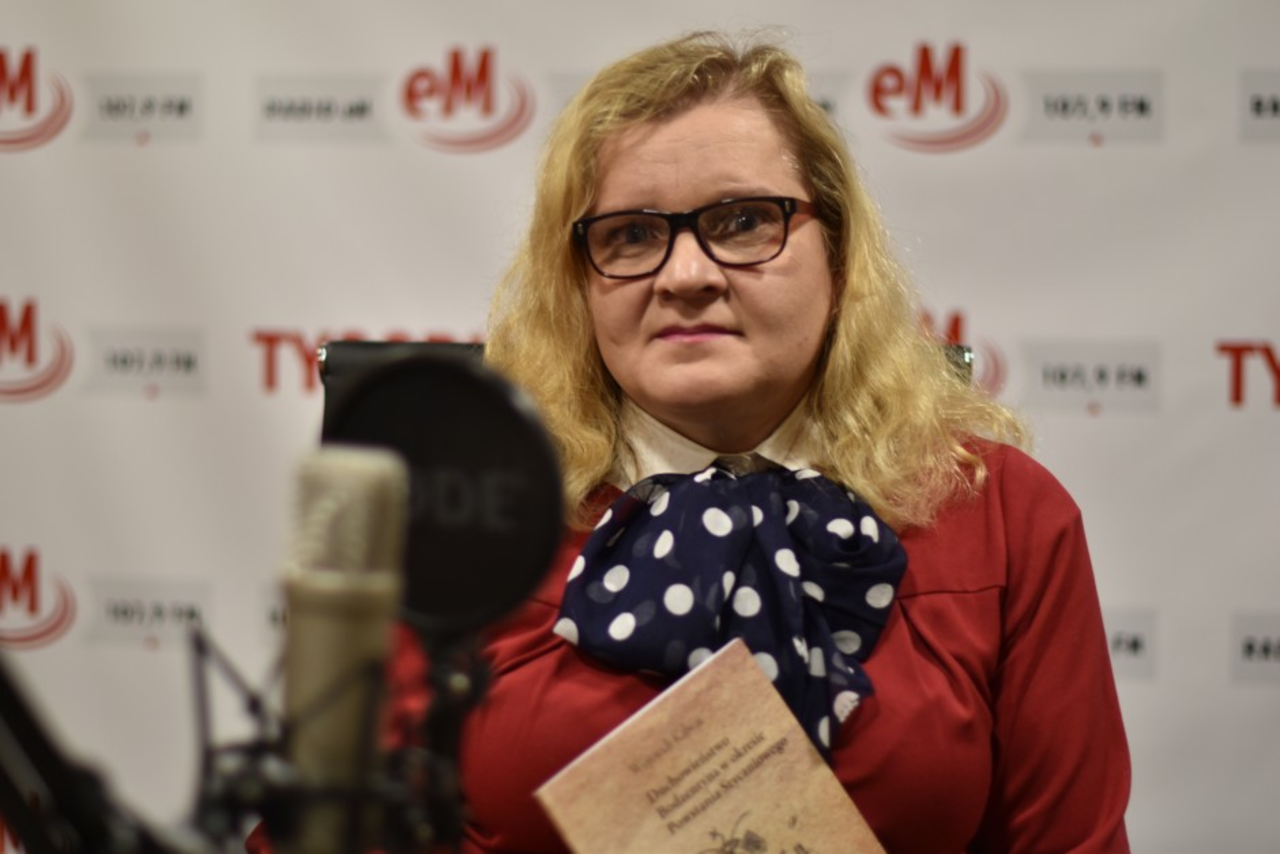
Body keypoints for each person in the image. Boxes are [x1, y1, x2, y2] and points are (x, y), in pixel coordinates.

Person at [251, 29, 1131, 854]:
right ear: (578, 281)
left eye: (743, 221)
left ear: (839, 253)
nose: (686, 276)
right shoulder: (457, 515)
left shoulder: (1003, 514)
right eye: (631, 235)